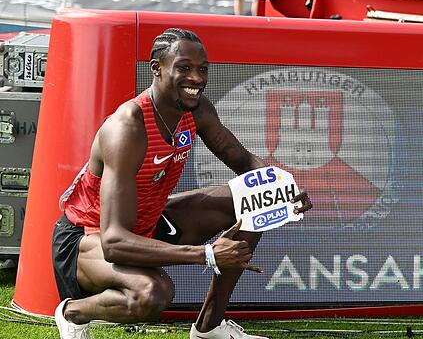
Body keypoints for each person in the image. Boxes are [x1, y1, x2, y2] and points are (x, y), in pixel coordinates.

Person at [52, 28, 313, 339]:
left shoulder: (196, 110)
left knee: (260, 194)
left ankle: (209, 329)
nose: (197, 78)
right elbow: (113, 242)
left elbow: (243, 161)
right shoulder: (127, 129)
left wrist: (284, 186)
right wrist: (208, 254)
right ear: (157, 68)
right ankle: (74, 312)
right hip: (88, 239)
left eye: (202, 69)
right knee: (154, 293)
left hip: (148, 223)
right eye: (184, 67)